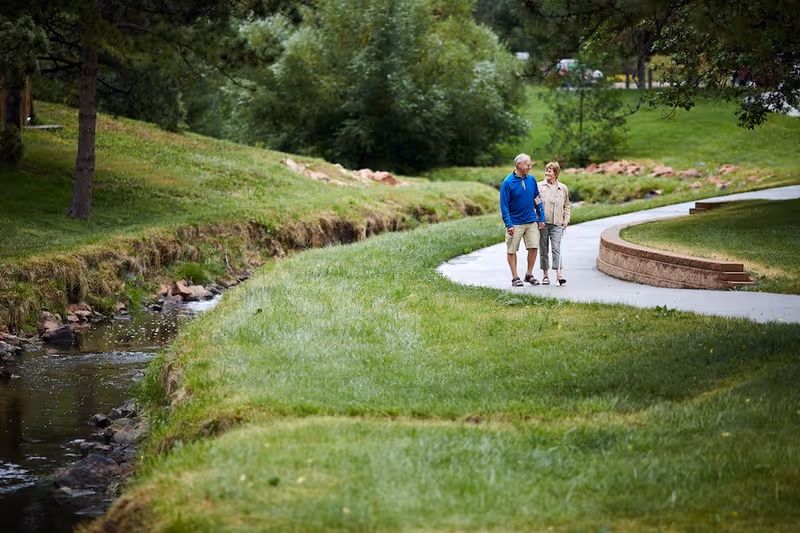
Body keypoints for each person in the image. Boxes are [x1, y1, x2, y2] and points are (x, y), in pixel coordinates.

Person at [499, 153, 545, 286]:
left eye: (530, 165)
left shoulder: (531, 180)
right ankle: (515, 278)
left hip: (531, 220)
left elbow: (537, 198)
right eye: (528, 164)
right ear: (519, 164)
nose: (530, 167)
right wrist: (509, 224)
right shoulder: (508, 183)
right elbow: (504, 206)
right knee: (512, 250)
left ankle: (529, 274)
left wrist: (541, 216)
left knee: (533, 247)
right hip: (515, 222)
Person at [538, 161, 570, 285]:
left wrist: (565, 220)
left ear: (556, 173)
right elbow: (534, 204)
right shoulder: (539, 186)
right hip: (543, 223)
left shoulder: (563, 188)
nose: (547, 173)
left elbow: (567, 206)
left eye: (550, 171)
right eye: (546, 170)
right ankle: (545, 276)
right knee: (544, 249)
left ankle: (559, 275)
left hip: (557, 223)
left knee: (556, 249)